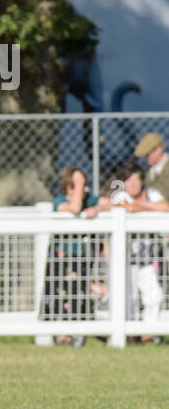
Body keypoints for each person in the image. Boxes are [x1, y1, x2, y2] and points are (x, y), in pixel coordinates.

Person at [45, 166, 108, 339]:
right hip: (62, 260)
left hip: (82, 259)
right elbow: (74, 208)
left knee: (80, 293)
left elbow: (107, 203)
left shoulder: (89, 200)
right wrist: (78, 185)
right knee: (62, 293)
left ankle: (78, 332)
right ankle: (62, 333)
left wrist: (96, 210)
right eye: (76, 185)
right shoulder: (59, 201)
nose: (83, 188)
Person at [111, 161, 167, 338]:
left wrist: (140, 208)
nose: (133, 184)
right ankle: (129, 336)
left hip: (147, 259)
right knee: (129, 298)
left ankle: (147, 334)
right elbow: (116, 207)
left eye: (136, 180)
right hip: (125, 260)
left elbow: (165, 206)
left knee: (154, 296)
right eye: (129, 180)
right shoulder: (119, 196)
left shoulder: (152, 195)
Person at [135, 132, 169, 198]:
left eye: (148, 153)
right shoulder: (149, 169)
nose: (147, 157)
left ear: (159, 149)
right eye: (145, 155)